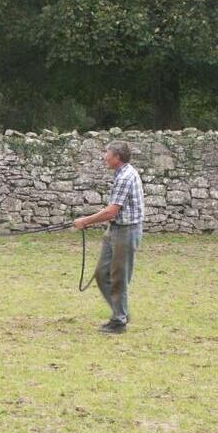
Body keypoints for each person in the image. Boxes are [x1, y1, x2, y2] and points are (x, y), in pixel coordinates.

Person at [73, 141, 144, 334]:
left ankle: (119, 321)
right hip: (116, 229)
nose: (105, 157)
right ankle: (121, 311)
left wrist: (85, 221)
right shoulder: (122, 174)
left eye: (108, 154)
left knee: (118, 277)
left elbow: (112, 211)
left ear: (117, 158)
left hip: (126, 231)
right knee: (101, 273)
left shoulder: (125, 177)